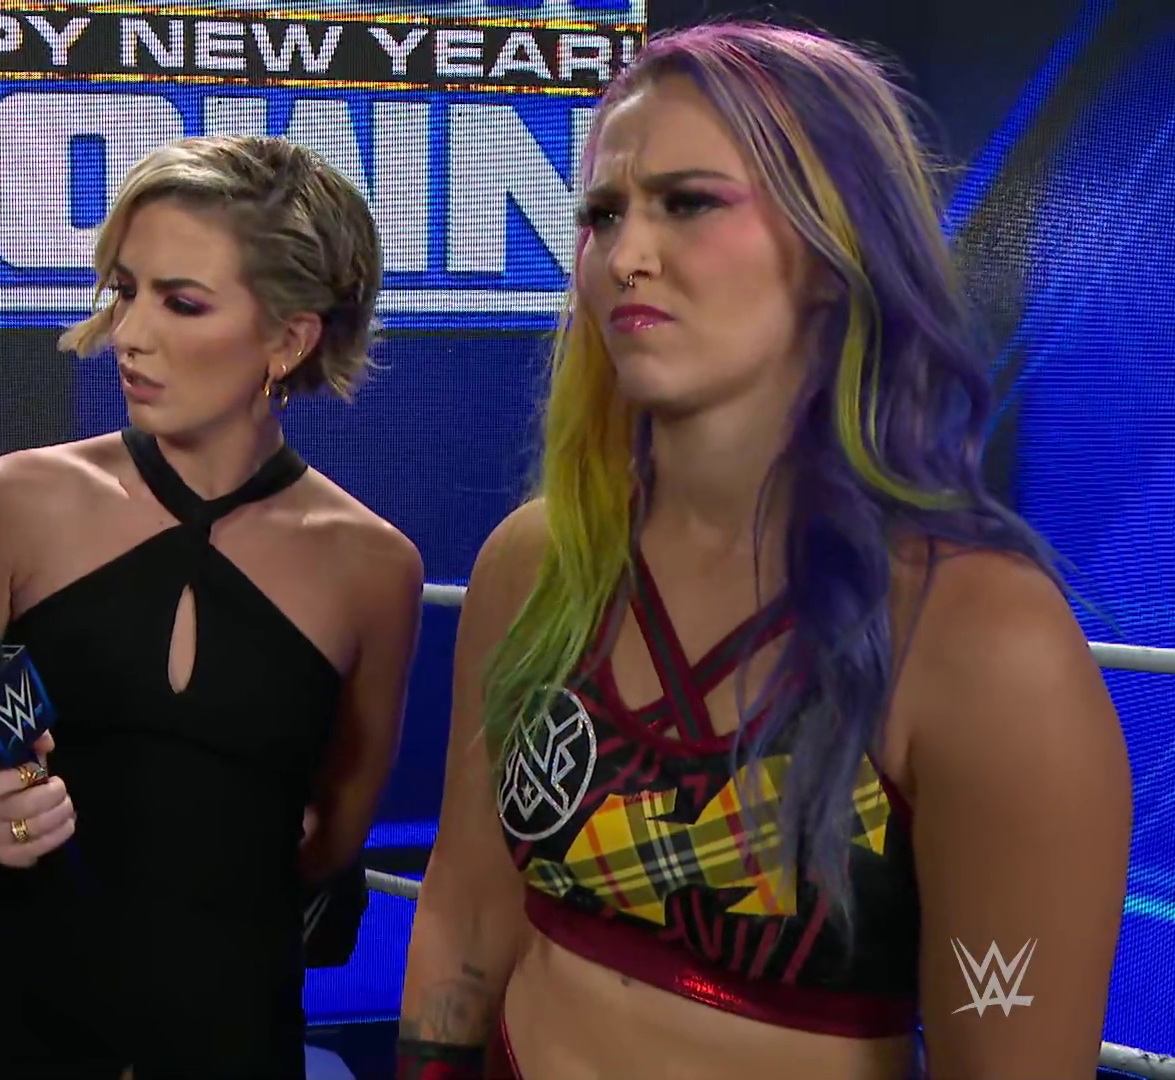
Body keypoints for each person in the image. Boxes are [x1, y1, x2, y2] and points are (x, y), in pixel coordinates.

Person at [399, 22, 1133, 1080]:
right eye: (603, 214)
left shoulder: (979, 635)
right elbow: (466, 910)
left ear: (837, 249)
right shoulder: (537, 563)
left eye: (688, 203)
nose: (626, 256)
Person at [0, 134, 424, 1078]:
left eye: (181, 302)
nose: (129, 335)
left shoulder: (373, 569)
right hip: (15, 1025)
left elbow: (336, 831)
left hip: (234, 1034)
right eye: (125, 290)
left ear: (289, 339)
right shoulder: (22, 500)